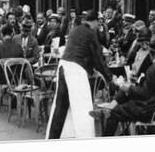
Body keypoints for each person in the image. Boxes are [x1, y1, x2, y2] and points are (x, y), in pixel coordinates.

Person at [46, 9, 112, 139]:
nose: (98, 26)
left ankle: (53, 138)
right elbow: (97, 58)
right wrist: (109, 77)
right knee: (83, 108)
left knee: (60, 106)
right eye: (97, 23)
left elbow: (80, 50)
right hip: (76, 71)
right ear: (93, 22)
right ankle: (85, 140)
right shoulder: (91, 33)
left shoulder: (75, 30)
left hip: (63, 66)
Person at [99, 34, 155, 136]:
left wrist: (129, 88)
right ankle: (113, 114)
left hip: (148, 110)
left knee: (115, 112)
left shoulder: (154, 69)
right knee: (125, 96)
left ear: (151, 53)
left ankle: (106, 136)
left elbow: (144, 94)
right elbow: (149, 91)